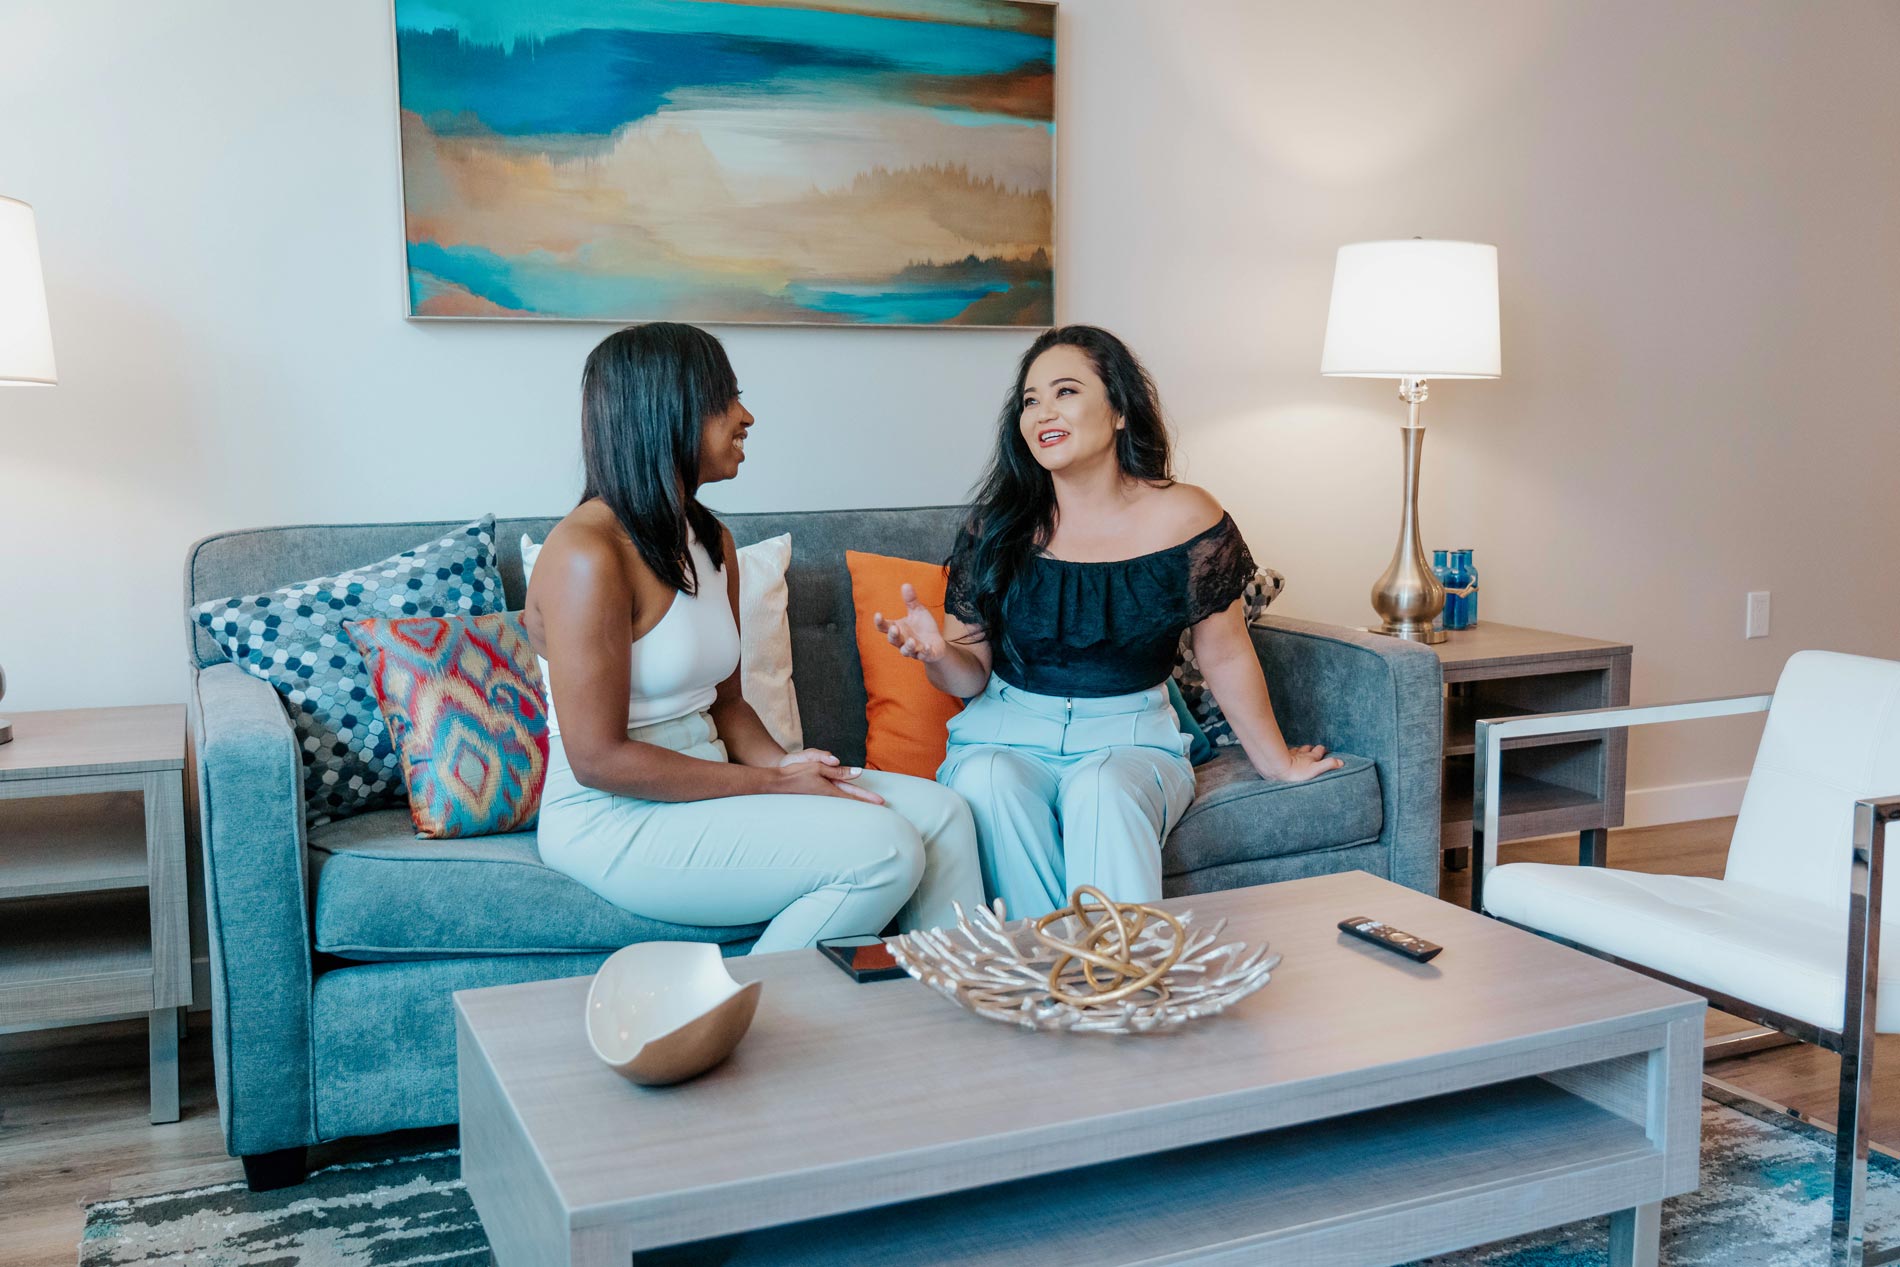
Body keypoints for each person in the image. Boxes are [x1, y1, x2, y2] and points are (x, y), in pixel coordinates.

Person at [526, 322, 982, 954]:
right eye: (725, 398)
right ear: (669, 410)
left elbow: (728, 704)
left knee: (944, 815)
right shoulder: (587, 553)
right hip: (616, 818)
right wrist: (774, 785)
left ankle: (960, 1015)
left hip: (710, 786)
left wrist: (789, 765)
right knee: (884, 850)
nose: (746, 416)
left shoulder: (709, 539)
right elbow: (598, 759)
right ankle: (734, 1020)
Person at [872, 325, 1342, 921]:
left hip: (1130, 736)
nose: (1043, 411)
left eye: (1066, 391)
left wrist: (1277, 761)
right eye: (1030, 400)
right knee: (988, 780)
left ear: (1119, 409)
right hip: (1004, 729)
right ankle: (1040, 983)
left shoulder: (1186, 515)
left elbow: (1224, 653)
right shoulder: (995, 527)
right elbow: (968, 679)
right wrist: (938, 653)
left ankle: (1123, 986)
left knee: (1104, 789)